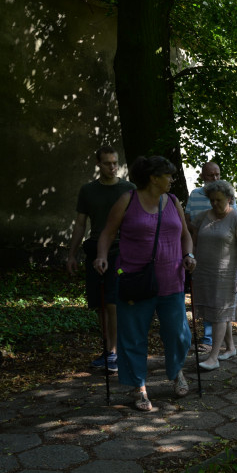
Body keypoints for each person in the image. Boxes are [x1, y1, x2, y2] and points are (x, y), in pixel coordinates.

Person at [94, 155, 195, 412]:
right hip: (135, 280)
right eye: (168, 175)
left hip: (172, 279)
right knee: (133, 336)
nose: (172, 179)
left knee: (179, 334)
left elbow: (185, 235)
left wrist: (189, 255)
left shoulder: (173, 201)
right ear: (153, 178)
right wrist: (102, 257)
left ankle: (175, 372)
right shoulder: (128, 200)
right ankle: (139, 386)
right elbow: (107, 232)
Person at [66, 146, 135, 372]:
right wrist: (72, 254)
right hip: (95, 250)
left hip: (120, 251)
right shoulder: (88, 191)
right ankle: (107, 349)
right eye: (107, 163)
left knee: (113, 302)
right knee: (100, 303)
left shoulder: (129, 189)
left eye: (115, 163)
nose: (112, 167)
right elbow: (79, 224)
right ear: (98, 164)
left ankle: (114, 352)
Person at [191, 180, 237, 370]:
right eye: (212, 200)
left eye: (219, 200)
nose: (215, 204)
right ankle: (231, 347)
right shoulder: (202, 218)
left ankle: (213, 356)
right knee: (219, 313)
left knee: (220, 314)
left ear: (230, 199)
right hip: (204, 273)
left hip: (226, 275)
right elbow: (193, 243)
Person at [184, 161, 222, 347]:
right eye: (210, 175)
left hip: (222, 253)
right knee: (205, 294)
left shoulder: (227, 193)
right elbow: (187, 220)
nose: (214, 179)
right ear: (202, 177)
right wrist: (199, 230)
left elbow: (236, 221)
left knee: (219, 295)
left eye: (217, 175)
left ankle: (217, 338)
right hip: (200, 251)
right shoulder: (195, 195)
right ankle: (208, 337)